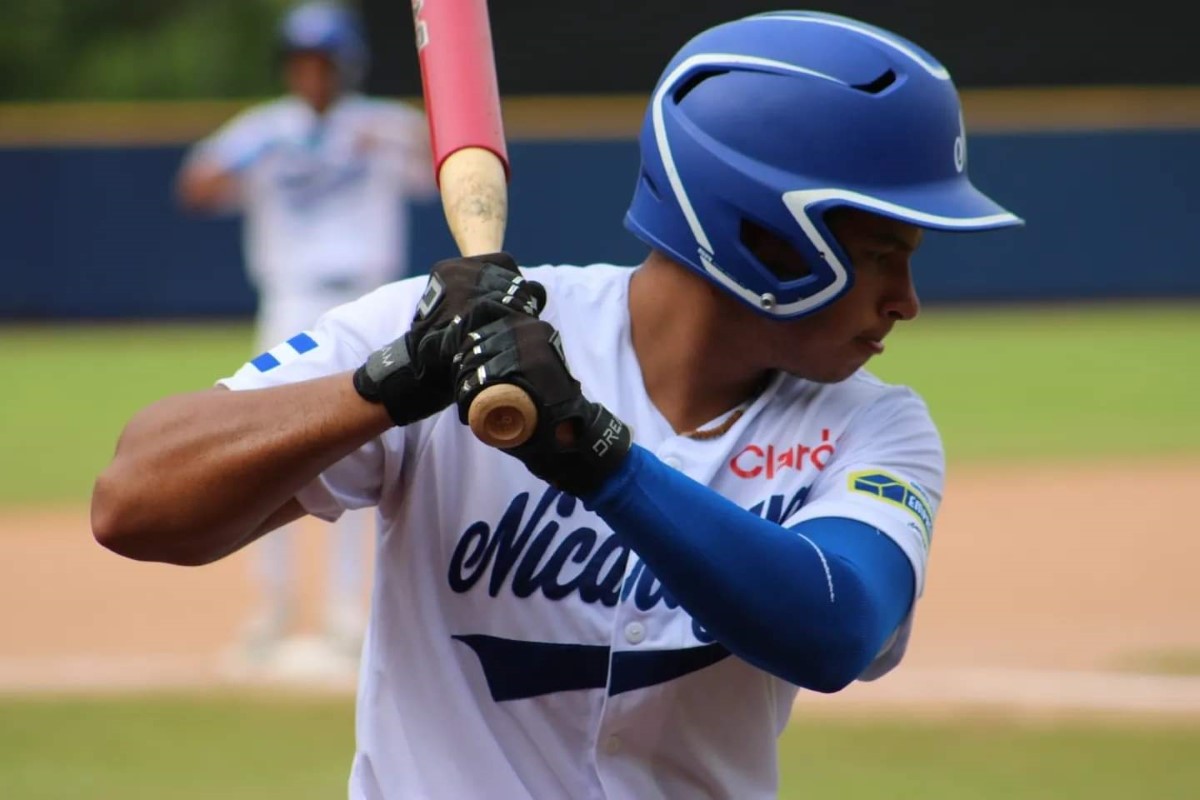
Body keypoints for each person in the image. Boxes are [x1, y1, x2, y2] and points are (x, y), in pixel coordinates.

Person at [96, 11, 1021, 798]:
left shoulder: (876, 426)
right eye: (882, 253)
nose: (905, 301)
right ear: (764, 233)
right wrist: (388, 386)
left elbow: (832, 631)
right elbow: (134, 502)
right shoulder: (447, 334)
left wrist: (597, 457)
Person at [174, 0, 436, 665]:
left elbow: (455, 165)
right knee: (265, 449)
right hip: (290, 302)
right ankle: (274, 605)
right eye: (302, 62)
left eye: (325, 62)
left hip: (368, 304)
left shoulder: (381, 123)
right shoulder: (264, 128)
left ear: (348, 67)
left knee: (360, 448)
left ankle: (348, 611)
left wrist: (403, 141)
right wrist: (245, 153)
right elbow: (196, 189)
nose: (313, 75)